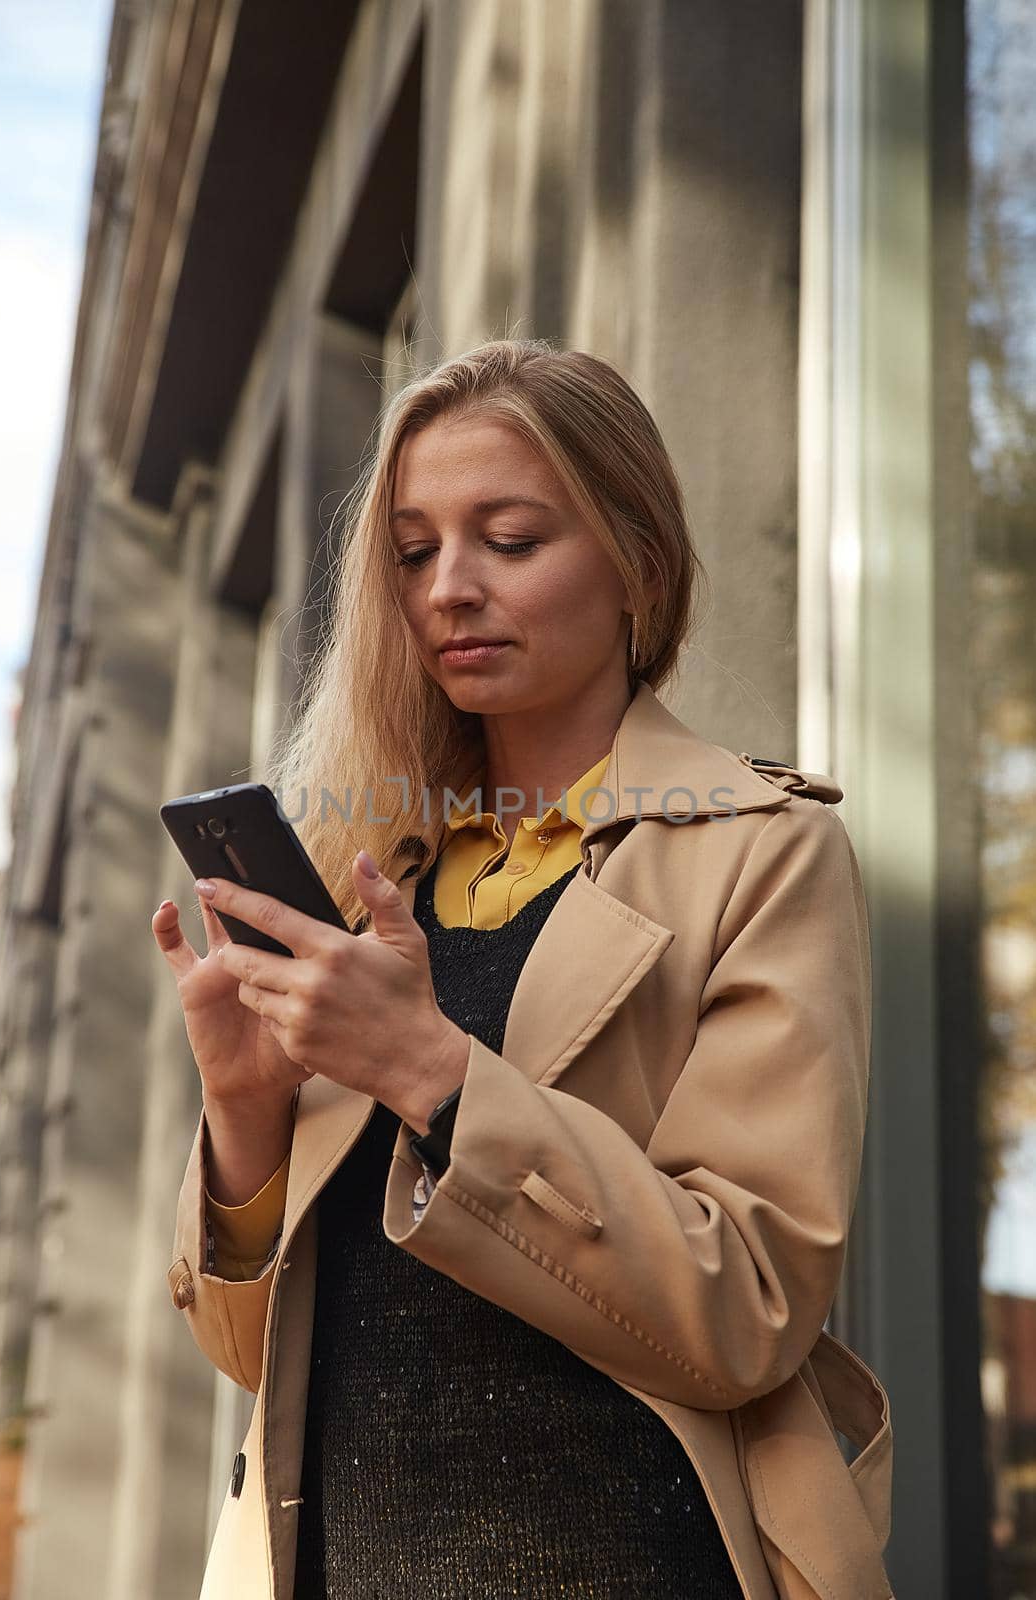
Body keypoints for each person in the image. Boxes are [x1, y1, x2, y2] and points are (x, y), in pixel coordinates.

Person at [153, 338, 894, 1600]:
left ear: (635, 566)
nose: (450, 587)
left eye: (508, 539)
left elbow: (751, 1308)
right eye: (415, 550)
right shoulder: (363, 876)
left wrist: (435, 1073)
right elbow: (251, 1355)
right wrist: (246, 1114)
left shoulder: (761, 854)